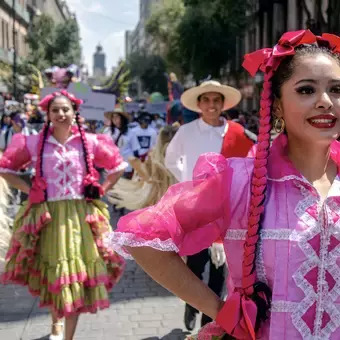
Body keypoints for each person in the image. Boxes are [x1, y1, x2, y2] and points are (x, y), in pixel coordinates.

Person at [108, 30, 340, 339]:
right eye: (307, 89)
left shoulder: (239, 134)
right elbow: (143, 237)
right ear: (278, 105)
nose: (325, 101)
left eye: (337, 89)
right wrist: (221, 310)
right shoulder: (239, 179)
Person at [0, 90, 126, 340]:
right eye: (55, 110)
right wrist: (30, 189)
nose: (60, 114)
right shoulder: (34, 143)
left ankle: (67, 336)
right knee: (57, 274)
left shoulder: (89, 141)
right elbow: (6, 169)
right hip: (48, 218)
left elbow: (117, 167)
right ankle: (55, 323)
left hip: (82, 217)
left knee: (76, 277)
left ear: (74, 112)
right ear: (47, 114)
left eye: (65, 109)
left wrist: (102, 189)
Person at [164, 80, 256, 330]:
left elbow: (252, 162)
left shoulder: (237, 133)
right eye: (206, 100)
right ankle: (191, 303)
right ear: (199, 104)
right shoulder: (187, 131)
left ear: (223, 104)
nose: (212, 105)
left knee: (221, 268)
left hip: (228, 209)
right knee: (195, 263)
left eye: (216, 100)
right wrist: (187, 182)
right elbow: (171, 158)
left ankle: (209, 320)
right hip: (197, 207)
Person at [107, 123, 179, 211]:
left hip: (156, 201)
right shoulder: (180, 160)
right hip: (173, 201)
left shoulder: (153, 158)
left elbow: (144, 175)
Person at [104, 106, 134, 179]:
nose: (114, 119)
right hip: (110, 165)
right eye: (113, 117)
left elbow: (135, 149)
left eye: (117, 117)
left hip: (125, 165)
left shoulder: (130, 132)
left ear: (122, 118)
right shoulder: (107, 131)